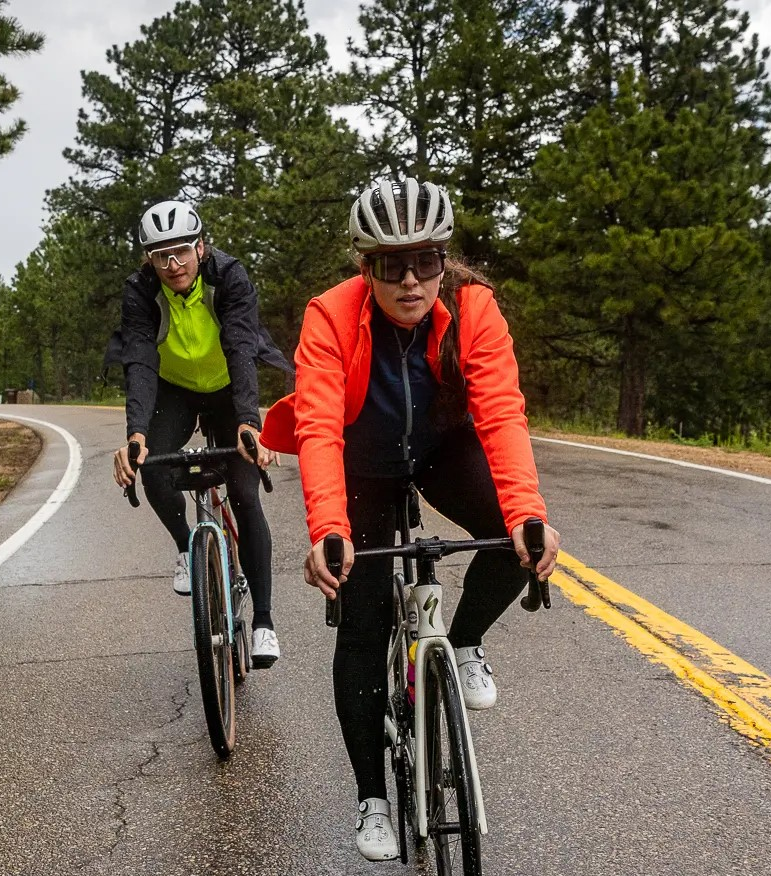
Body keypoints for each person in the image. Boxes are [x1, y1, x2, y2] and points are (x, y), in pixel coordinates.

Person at [259, 176, 562, 861]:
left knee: (517, 541)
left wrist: (525, 513)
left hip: (438, 448)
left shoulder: (473, 309)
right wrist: (328, 531)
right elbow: (317, 430)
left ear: (443, 260)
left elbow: (503, 412)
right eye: (389, 264)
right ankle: (371, 797)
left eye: (424, 260)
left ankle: (461, 642)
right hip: (362, 460)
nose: (409, 280)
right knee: (362, 624)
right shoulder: (331, 316)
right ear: (365, 268)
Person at [105, 200, 293, 667]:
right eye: (160, 256)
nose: (172, 265)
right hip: (177, 389)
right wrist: (137, 432)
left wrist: (249, 420)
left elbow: (240, 346)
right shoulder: (140, 292)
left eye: (182, 252)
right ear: (148, 259)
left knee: (245, 493)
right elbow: (142, 362)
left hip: (229, 387)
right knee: (152, 468)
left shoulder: (229, 277)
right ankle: (185, 547)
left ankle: (264, 621)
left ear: (201, 247)